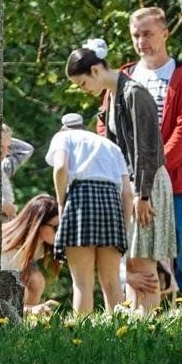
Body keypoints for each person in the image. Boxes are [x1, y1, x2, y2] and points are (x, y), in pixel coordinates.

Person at [66, 43, 173, 312]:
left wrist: (142, 194)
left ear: (95, 70)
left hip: (147, 184)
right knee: (133, 260)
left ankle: (147, 325)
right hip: (132, 185)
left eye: (82, 83)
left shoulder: (134, 93)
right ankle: (134, 324)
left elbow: (146, 148)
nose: (84, 90)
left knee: (145, 259)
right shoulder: (113, 97)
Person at [120, 7, 182, 305]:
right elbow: (108, 124)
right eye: (136, 35)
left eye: (147, 34)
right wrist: (130, 173)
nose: (141, 41)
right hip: (132, 181)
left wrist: (153, 171)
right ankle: (140, 314)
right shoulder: (125, 76)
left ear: (165, 33)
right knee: (136, 251)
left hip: (175, 180)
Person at [46, 113, 133, 316]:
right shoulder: (110, 146)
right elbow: (127, 193)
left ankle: (81, 337)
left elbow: (60, 167)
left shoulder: (63, 137)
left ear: (64, 127)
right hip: (111, 203)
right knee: (112, 282)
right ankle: (120, 333)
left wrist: (61, 201)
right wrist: (124, 228)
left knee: (82, 282)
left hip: (79, 200)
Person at [1, 194, 61, 311]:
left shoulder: (40, 246)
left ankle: (27, 322)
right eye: (56, 227)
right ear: (38, 224)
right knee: (22, 289)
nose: (60, 232)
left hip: (8, 285)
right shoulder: (6, 247)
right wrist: (30, 310)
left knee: (36, 280)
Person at [1, 124, 34, 219]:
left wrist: (5, 138)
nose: (5, 153)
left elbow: (27, 150)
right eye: (0, 146)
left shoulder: (4, 168)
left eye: (8, 147)